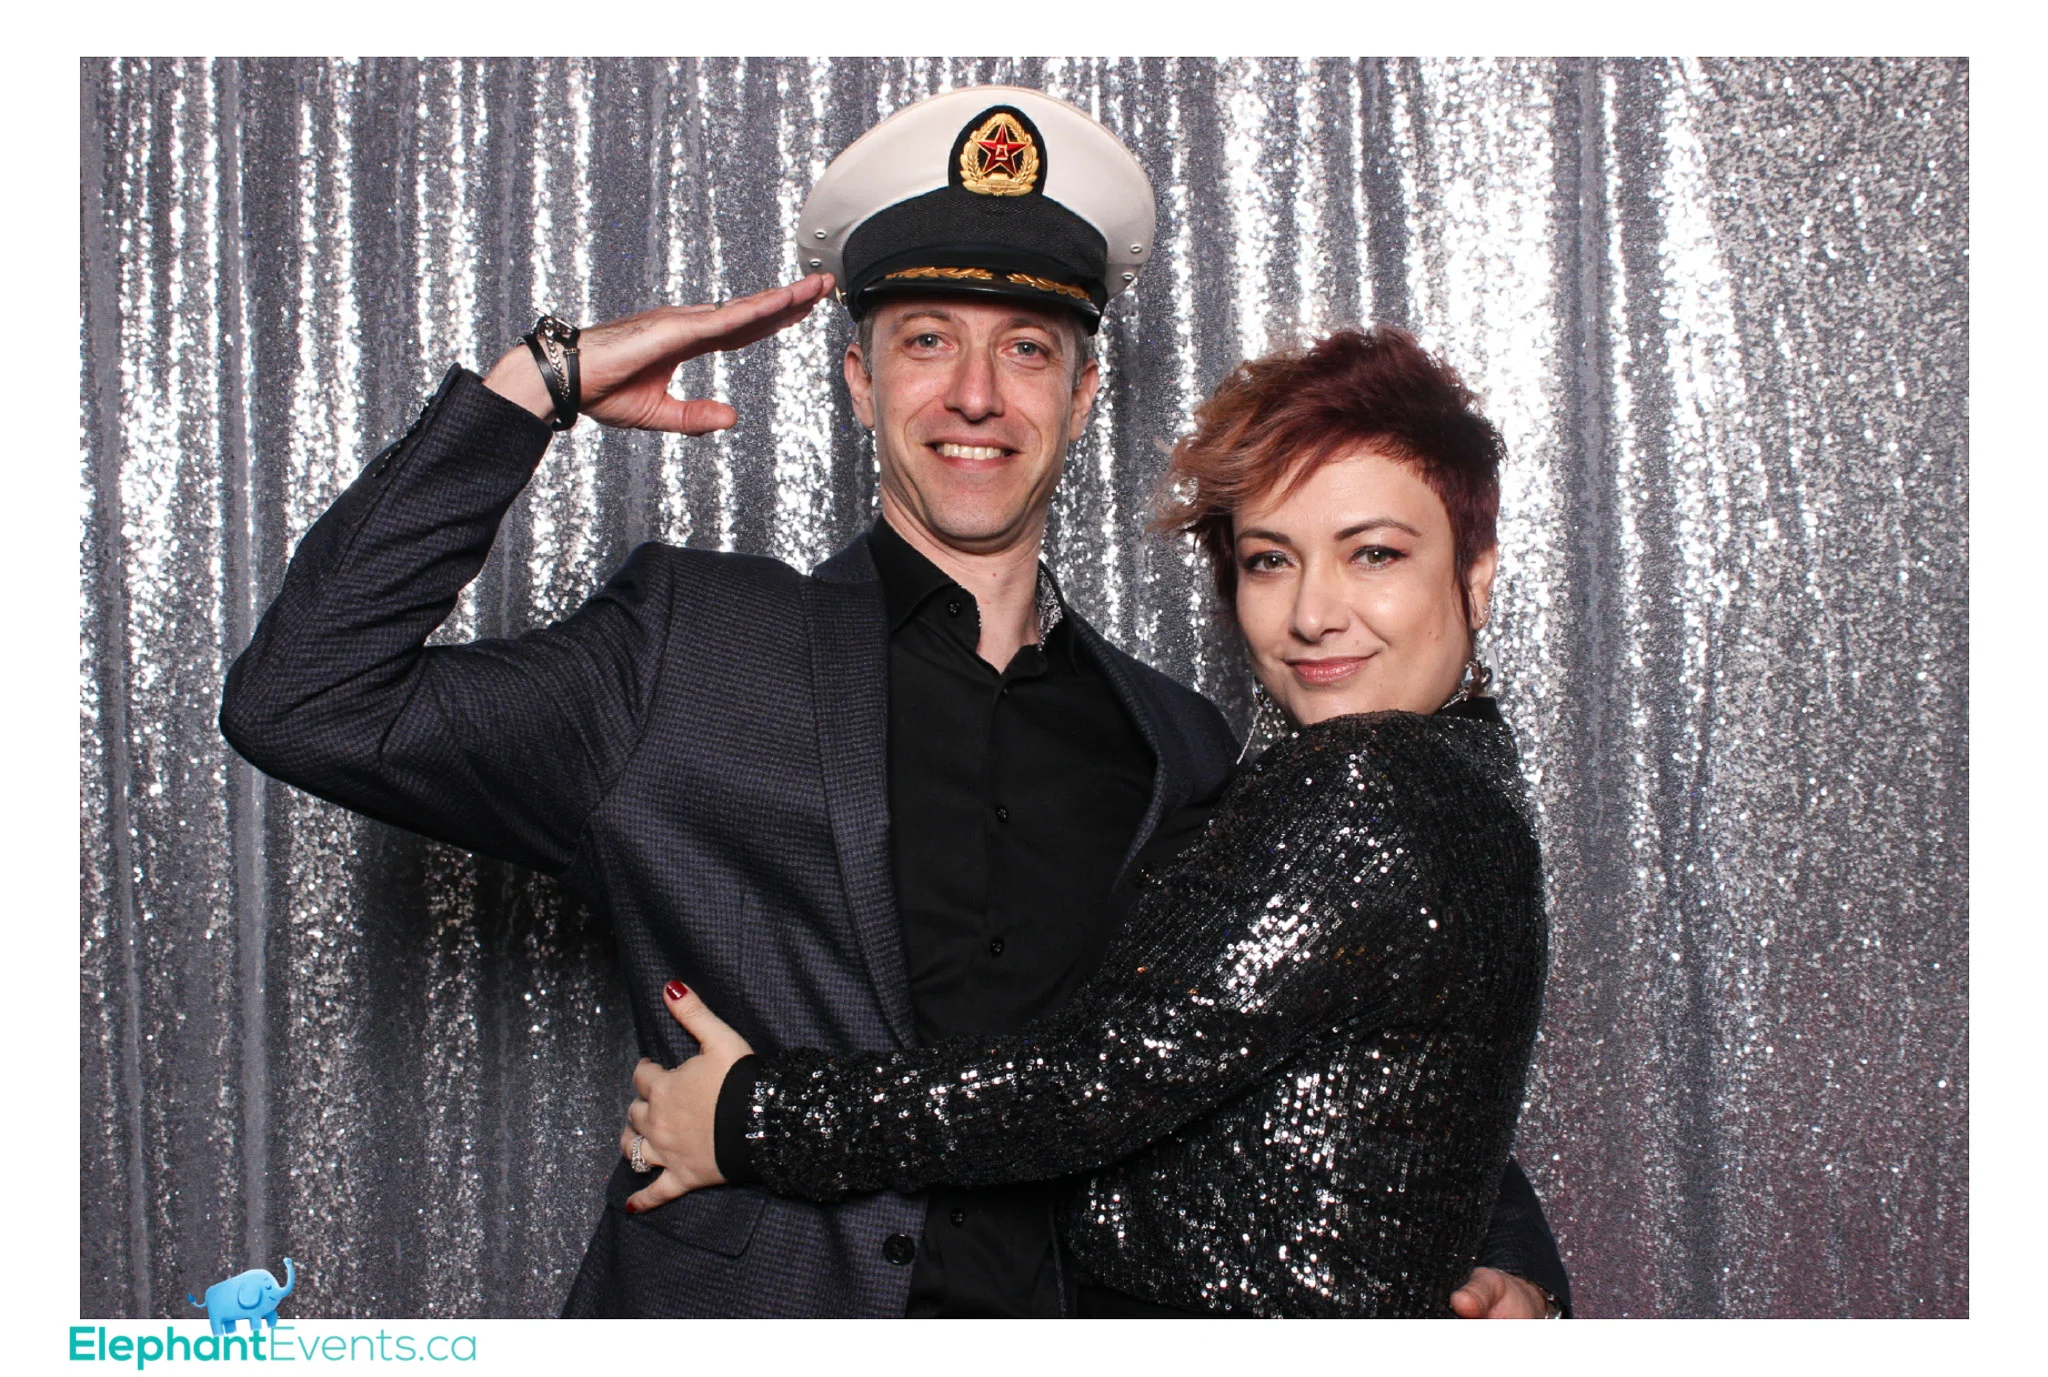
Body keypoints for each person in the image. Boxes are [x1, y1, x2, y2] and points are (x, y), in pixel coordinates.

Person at [219, 84, 1567, 1317]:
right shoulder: (687, 647)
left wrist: (1505, 1256)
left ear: (1082, 396)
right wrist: (537, 386)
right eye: (926, 341)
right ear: (860, 380)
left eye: (1027, 348)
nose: (975, 394)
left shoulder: (1177, 737)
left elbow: (1324, 1015)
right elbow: (308, 701)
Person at [612, 324, 1552, 1317]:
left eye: (1373, 553)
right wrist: (1520, 1280)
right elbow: (1397, 1088)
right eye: (1271, 560)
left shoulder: (1357, 782)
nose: (1313, 611)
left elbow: (1099, 1080)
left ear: (1476, 576)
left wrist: (754, 1117)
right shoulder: (1471, 781)